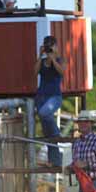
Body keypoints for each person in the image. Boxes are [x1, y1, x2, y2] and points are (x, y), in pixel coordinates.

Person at [34, 35, 66, 166]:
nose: (50, 48)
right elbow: (34, 72)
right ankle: (55, 160)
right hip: (41, 97)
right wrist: (39, 55)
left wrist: (53, 60)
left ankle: (57, 133)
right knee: (48, 133)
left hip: (54, 97)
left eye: (51, 45)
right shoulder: (41, 61)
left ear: (56, 47)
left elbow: (62, 72)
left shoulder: (60, 60)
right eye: (48, 46)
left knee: (43, 114)